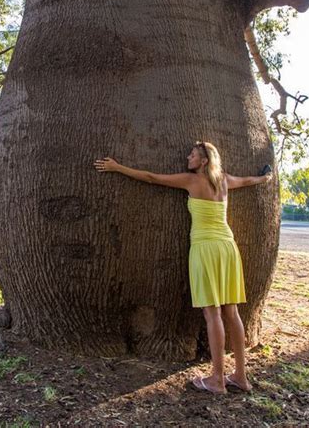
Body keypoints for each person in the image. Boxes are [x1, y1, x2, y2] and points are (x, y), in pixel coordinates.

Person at [94, 141, 271, 395]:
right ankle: (241, 377)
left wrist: (117, 167)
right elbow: (246, 181)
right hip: (227, 247)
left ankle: (217, 380)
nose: (188, 157)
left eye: (193, 155)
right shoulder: (224, 180)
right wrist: (265, 178)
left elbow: (151, 177)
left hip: (206, 248)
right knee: (231, 312)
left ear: (204, 162)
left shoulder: (192, 181)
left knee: (213, 315)